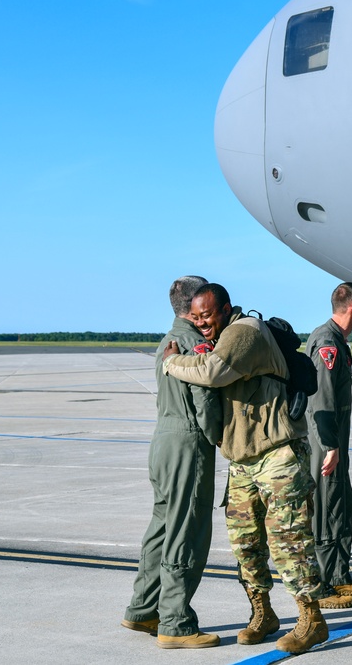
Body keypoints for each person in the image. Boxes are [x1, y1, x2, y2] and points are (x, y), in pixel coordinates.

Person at [160, 283, 328, 655]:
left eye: (209, 315)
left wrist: (171, 361)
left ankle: (311, 620)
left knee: (289, 541)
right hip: (242, 458)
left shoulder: (243, 332)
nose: (203, 324)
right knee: (245, 544)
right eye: (197, 317)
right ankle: (263, 614)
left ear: (226, 309)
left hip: (277, 454)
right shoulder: (221, 335)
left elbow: (213, 372)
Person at [122, 276, 222, 649]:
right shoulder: (195, 343)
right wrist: (221, 438)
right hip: (188, 445)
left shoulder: (167, 341)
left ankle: (143, 609)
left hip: (162, 441)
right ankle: (176, 623)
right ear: (195, 302)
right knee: (188, 531)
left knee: (162, 527)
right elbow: (205, 402)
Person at [304, 282, 352, 609]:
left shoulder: (339, 342)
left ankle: (339, 576)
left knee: (343, 505)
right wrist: (330, 444)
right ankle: (322, 585)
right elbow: (321, 399)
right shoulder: (327, 343)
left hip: (336, 440)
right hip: (325, 440)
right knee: (326, 508)